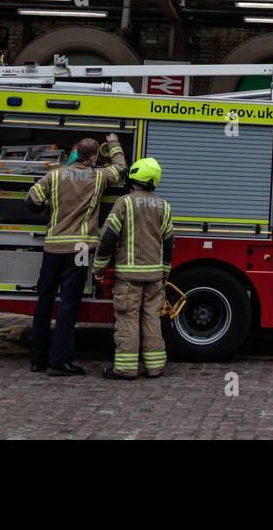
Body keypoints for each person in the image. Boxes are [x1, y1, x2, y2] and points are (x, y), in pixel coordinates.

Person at [25, 133, 127, 376]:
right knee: (68, 304)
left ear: (75, 154)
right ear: (93, 158)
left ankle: (37, 360)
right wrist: (113, 142)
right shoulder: (98, 176)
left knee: (44, 302)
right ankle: (59, 362)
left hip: (53, 247)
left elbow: (32, 200)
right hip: (80, 249)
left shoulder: (56, 174)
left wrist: (48, 212)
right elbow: (121, 169)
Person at [92, 157, 175, 380]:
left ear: (135, 177)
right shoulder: (163, 206)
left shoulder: (125, 203)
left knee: (128, 318)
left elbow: (108, 238)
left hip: (129, 276)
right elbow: (169, 243)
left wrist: (98, 267)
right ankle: (155, 366)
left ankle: (126, 368)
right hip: (155, 276)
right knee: (151, 319)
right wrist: (165, 270)